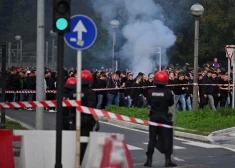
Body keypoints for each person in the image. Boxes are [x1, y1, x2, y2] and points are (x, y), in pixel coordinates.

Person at [63, 70, 100, 165]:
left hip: (74, 120)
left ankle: (72, 161)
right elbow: (91, 108)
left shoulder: (73, 92)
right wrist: (96, 120)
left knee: (73, 142)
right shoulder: (91, 92)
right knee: (84, 143)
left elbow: (70, 107)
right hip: (87, 121)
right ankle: (80, 163)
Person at [144, 71, 177, 167]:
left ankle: (149, 160)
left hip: (153, 116)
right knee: (167, 139)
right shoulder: (168, 92)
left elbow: (148, 102)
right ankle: (167, 160)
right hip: (164, 117)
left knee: (152, 139)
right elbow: (171, 103)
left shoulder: (150, 91)